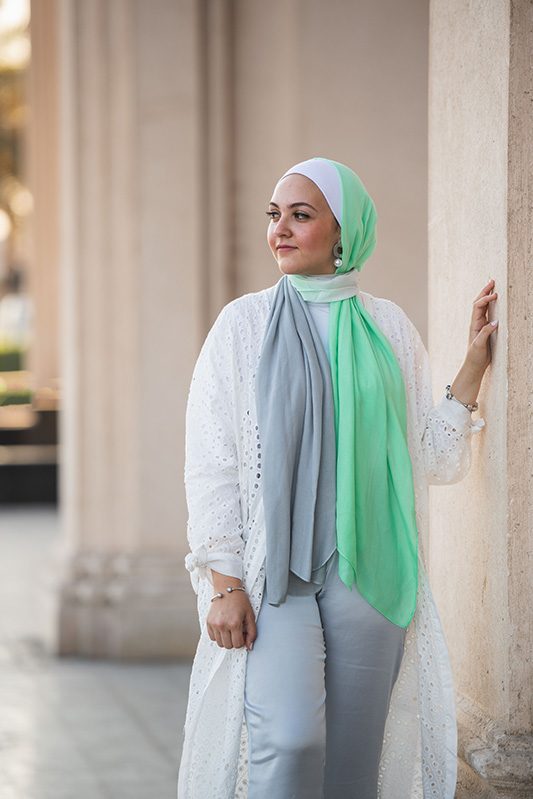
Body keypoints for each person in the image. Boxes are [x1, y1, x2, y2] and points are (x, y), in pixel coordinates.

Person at [177, 157, 498, 799]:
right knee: (288, 740)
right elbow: (212, 460)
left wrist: (470, 371)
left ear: (344, 231)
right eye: (275, 216)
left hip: (372, 570)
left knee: (357, 763)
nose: (281, 231)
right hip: (278, 576)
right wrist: (223, 581)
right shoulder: (242, 327)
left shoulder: (388, 330)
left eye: (301, 215)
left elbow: (428, 457)